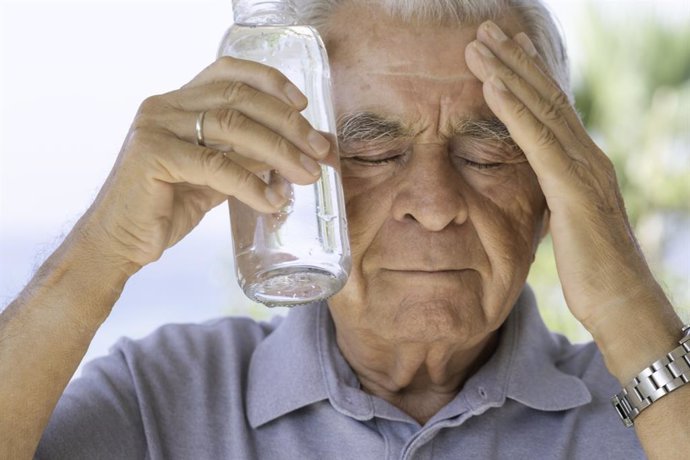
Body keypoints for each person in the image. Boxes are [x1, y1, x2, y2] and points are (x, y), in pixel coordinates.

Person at [1, 0, 688, 458]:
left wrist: (628, 304)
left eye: (487, 154)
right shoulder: (166, 398)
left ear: (550, 193)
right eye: (371, 153)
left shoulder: (647, 412)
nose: (434, 202)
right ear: (285, 172)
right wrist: (101, 252)